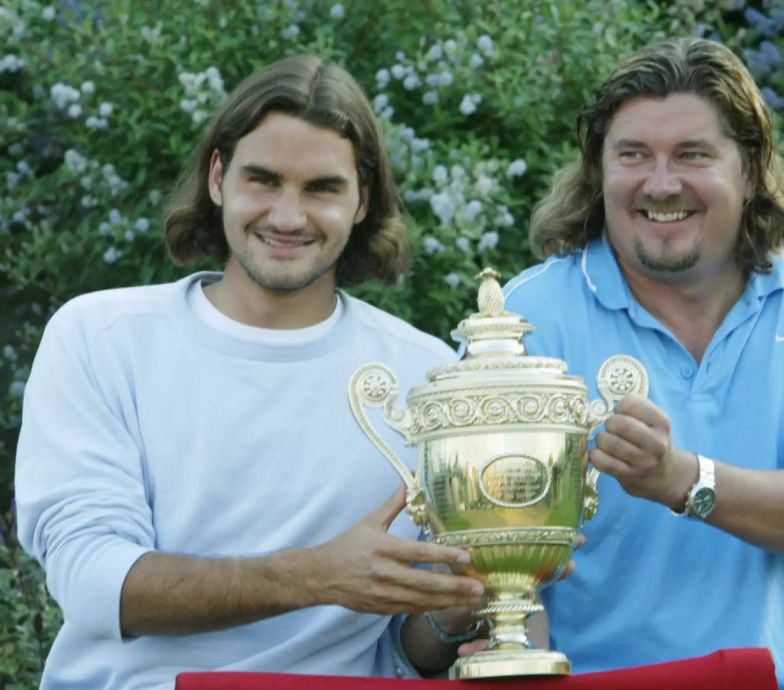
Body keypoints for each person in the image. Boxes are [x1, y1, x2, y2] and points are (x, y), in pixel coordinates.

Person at [14, 55, 485, 690]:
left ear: (363, 199)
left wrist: (454, 613)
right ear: (217, 177)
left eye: (322, 188)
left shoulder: (431, 374)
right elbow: (96, 583)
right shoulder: (101, 337)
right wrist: (314, 574)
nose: (288, 217)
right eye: (262, 180)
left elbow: (407, 649)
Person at [499, 37, 784, 690]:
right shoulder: (529, 315)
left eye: (693, 155)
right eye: (633, 155)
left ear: (751, 168)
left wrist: (681, 478)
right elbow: (501, 564)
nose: (661, 183)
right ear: (599, 171)